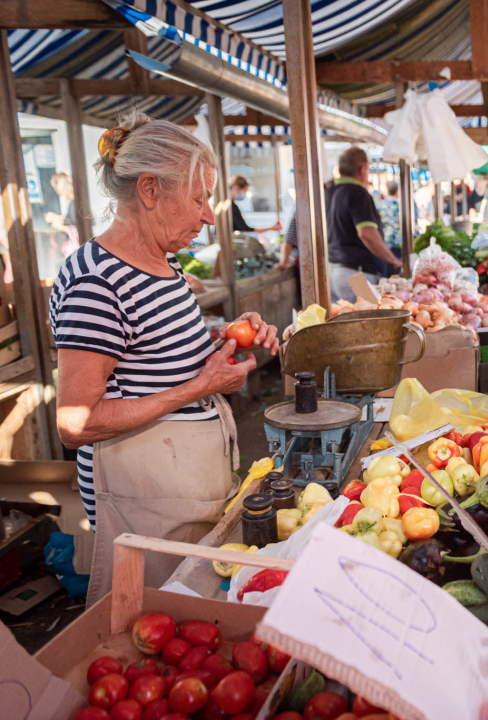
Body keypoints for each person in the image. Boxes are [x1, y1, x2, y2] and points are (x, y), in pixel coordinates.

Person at [49, 114, 280, 605]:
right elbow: (76, 423)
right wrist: (201, 387)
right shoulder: (97, 283)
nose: (208, 216)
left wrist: (227, 336)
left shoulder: (163, 263)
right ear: (150, 190)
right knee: (154, 617)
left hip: (181, 485)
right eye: (199, 199)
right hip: (143, 499)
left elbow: (152, 350)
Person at [326, 148, 401, 302]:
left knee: (342, 316)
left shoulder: (329, 192)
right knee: (371, 315)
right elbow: (367, 233)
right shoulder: (358, 193)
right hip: (355, 276)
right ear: (362, 169)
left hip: (332, 272)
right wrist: (394, 261)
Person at [45, 172, 81, 257]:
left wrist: (57, 225)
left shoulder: (74, 205)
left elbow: (76, 229)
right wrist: (56, 218)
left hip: (77, 250)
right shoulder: (75, 203)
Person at [377, 180, 403, 260]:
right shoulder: (402, 205)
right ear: (397, 190)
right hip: (399, 242)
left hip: (385, 242)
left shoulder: (380, 205)